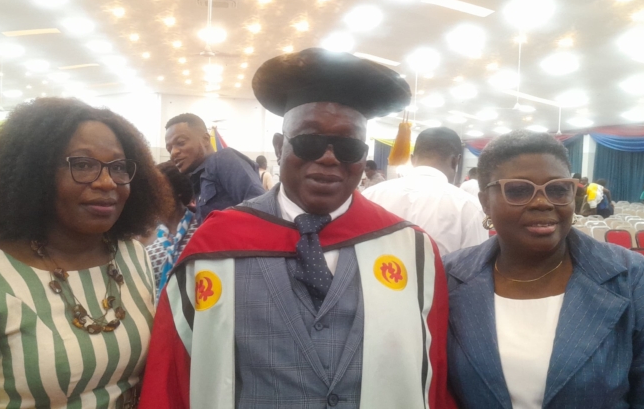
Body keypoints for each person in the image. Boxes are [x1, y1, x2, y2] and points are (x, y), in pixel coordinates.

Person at [140, 48, 456, 408]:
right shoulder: (215, 245)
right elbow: (171, 375)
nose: (329, 158)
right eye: (309, 141)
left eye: (349, 146)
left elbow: (434, 372)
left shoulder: (411, 249)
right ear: (279, 146)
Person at [0, 98, 170, 407]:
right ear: (34, 174)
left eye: (119, 167)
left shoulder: (133, 257)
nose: (107, 182)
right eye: (82, 165)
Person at [443, 130, 644, 409]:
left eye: (558, 189)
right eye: (518, 190)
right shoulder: (448, 277)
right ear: (485, 202)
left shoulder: (634, 279)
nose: (543, 202)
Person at [364, 127, 487, 256]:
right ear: (456, 161)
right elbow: (475, 264)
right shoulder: (469, 207)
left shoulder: (369, 195)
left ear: (412, 159)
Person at [164, 113, 265, 224]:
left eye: (180, 143)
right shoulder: (199, 179)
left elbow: (260, 207)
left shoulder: (223, 160)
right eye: (169, 149)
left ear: (206, 139)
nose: (173, 153)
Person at [141, 162, 197, 303]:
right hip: (158, 313)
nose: (152, 198)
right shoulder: (145, 236)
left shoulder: (200, 229)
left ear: (178, 191)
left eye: (158, 190)